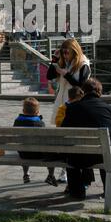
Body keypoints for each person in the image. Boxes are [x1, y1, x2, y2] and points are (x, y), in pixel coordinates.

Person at [61, 78, 111, 200]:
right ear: (99, 92)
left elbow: (64, 132)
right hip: (106, 155)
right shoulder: (109, 108)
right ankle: (108, 191)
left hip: (80, 157)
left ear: (84, 91)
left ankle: (77, 192)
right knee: (105, 150)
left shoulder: (73, 108)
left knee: (72, 156)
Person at [47, 38, 91, 183]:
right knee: (62, 136)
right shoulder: (64, 62)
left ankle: (70, 170)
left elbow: (80, 85)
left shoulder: (83, 64)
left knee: (72, 138)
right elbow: (49, 76)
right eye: (63, 53)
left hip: (76, 103)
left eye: (67, 53)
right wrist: (55, 59)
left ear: (74, 51)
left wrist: (65, 74)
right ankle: (64, 170)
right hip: (62, 101)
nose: (65, 56)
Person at [13, 97, 57, 186]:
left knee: (24, 145)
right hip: (39, 154)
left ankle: (26, 174)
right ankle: (51, 175)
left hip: (24, 154)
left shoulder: (17, 122)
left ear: (23, 110)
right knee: (50, 150)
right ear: (37, 112)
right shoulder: (40, 124)